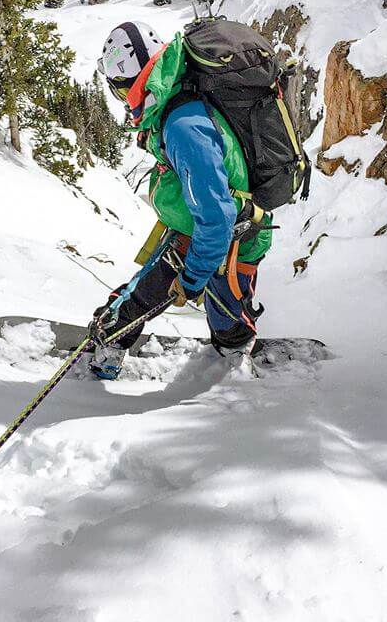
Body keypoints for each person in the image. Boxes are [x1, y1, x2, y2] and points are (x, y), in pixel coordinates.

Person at [89, 20, 274, 380]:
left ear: (128, 82)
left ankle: (109, 341)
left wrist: (191, 280)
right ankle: (232, 340)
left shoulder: (183, 126)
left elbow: (215, 217)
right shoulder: (176, 90)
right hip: (228, 231)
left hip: (220, 236)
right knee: (222, 310)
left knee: (151, 293)